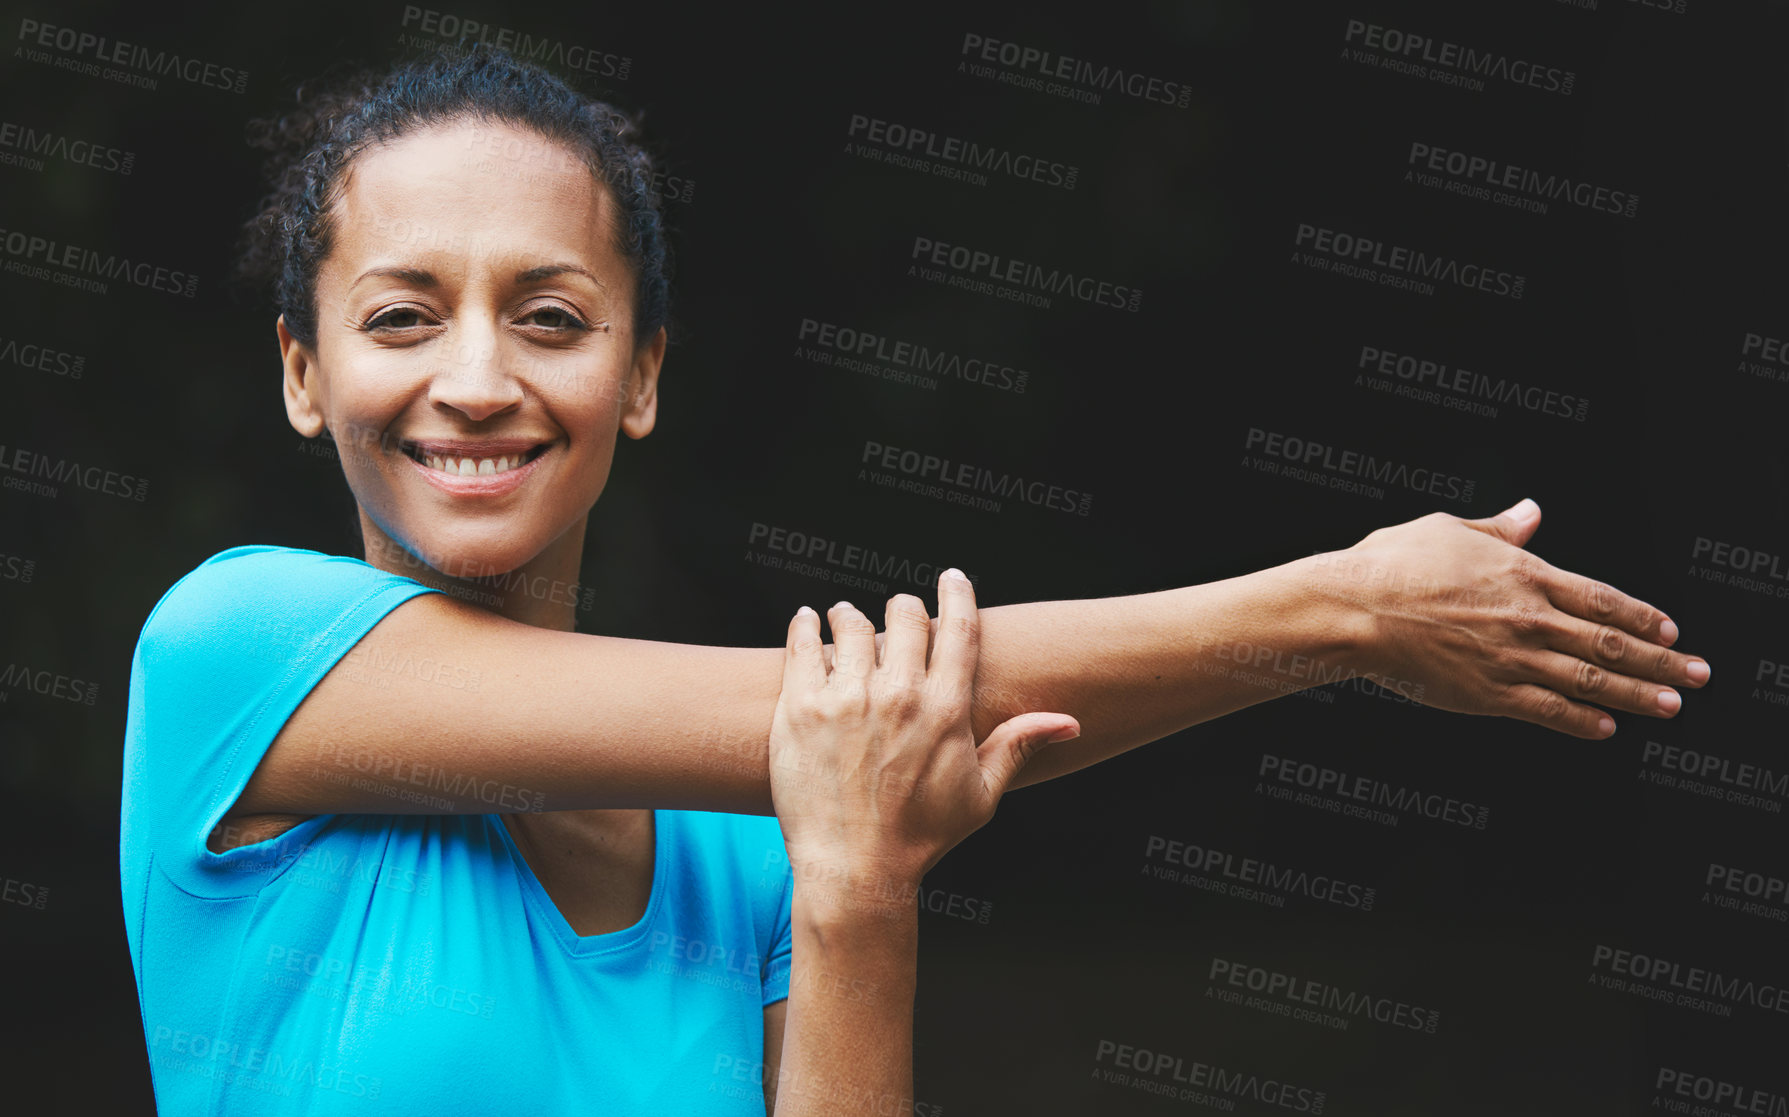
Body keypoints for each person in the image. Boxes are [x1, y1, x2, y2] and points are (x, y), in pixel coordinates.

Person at [120, 44, 1710, 1113]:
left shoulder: (760, 825)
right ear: (301, 373)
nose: (476, 379)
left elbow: (847, 742)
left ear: (644, 370)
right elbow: (841, 705)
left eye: (551, 316)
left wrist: (858, 878)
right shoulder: (232, 648)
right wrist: (1343, 611)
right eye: (401, 316)